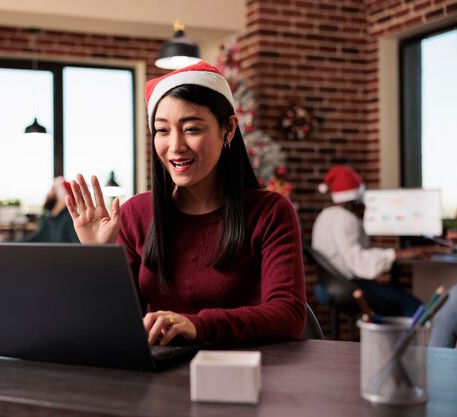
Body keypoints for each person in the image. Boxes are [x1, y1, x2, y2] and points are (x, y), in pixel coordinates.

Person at [65, 61, 306, 347]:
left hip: (245, 375)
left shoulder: (270, 212)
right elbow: (114, 324)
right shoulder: (136, 214)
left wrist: (195, 325)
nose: (175, 146)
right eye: (162, 131)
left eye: (191, 128)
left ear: (228, 130)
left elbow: (288, 315)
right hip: (159, 376)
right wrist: (97, 258)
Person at [311, 165, 423, 317]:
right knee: (412, 305)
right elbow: (358, 263)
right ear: (356, 199)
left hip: (325, 286)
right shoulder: (346, 219)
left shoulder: (324, 216)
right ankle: (404, 340)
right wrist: (395, 254)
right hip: (348, 288)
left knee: (386, 294)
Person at [24, 177, 79, 243]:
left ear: (61, 196)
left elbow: (77, 249)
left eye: (52, 190)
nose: (48, 193)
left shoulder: (70, 221)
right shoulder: (48, 219)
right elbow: (34, 239)